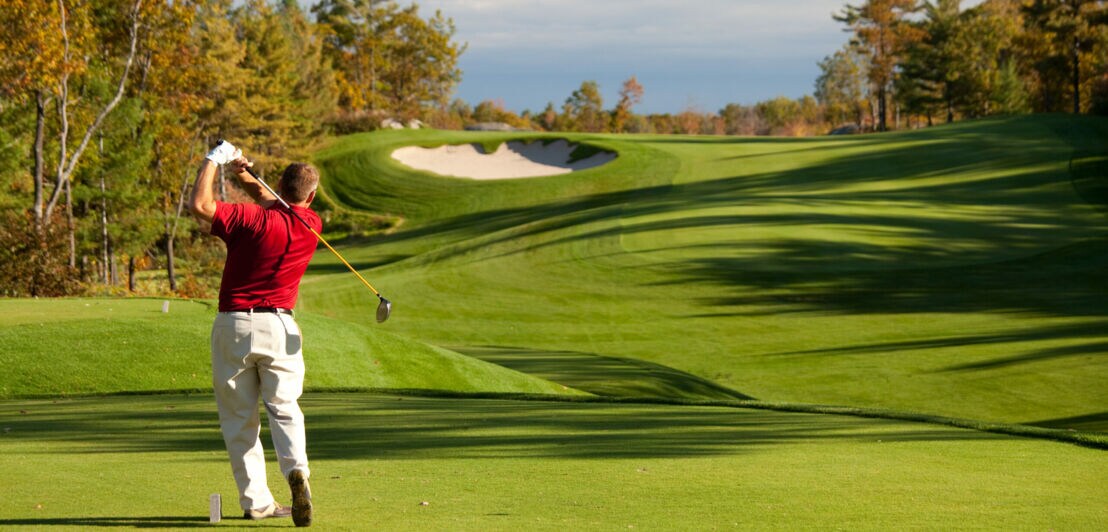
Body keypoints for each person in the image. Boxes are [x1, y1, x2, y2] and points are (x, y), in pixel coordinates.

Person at [189, 140, 319, 527]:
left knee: (239, 420)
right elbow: (273, 198)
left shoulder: (250, 220)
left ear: (280, 186)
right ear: (311, 196)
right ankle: (297, 472)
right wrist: (241, 170)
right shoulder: (312, 225)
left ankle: (257, 502)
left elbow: (201, 206)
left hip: (233, 325)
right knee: (284, 408)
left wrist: (214, 160)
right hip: (279, 326)